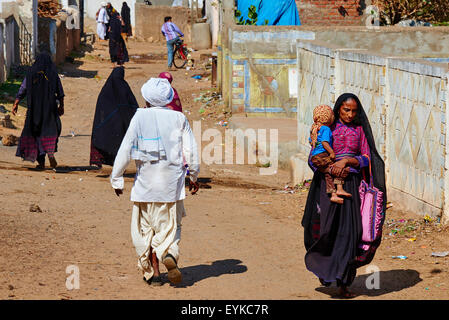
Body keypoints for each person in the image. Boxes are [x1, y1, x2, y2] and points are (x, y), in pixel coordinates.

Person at [111, 77, 200, 286]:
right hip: (171, 186)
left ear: (147, 99)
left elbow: (125, 149)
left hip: (145, 185)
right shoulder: (179, 119)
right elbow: (191, 151)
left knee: (146, 229)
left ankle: (155, 273)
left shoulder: (139, 117)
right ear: (169, 98)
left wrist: (117, 179)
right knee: (171, 226)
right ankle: (169, 252)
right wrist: (194, 176)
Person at [302, 93, 386, 298]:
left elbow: (367, 158)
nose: (350, 114)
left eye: (354, 111)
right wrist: (331, 168)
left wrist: (349, 161)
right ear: (338, 108)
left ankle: (344, 282)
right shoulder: (326, 129)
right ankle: (326, 270)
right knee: (327, 229)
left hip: (352, 186)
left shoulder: (360, 130)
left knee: (351, 232)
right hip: (327, 186)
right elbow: (314, 158)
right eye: (346, 110)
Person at [12, 52, 65, 170]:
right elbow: (60, 92)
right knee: (52, 130)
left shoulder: (31, 72)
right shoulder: (52, 73)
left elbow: (23, 88)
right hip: (49, 109)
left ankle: (41, 163)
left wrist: (16, 102)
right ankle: (50, 152)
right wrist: (61, 106)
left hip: (33, 110)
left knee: (36, 133)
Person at [90, 66, 138, 168]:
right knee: (120, 145)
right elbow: (133, 105)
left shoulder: (106, 90)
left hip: (109, 124)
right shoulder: (124, 87)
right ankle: (118, 167)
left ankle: (115, 166)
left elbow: (100, 109)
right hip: (120, 124)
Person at [309, 104, 351, 204]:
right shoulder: (326, 129)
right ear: (327, 117)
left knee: (328, 174)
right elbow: (324, 142)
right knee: (337, 168)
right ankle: (340, 188)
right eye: (332, 115)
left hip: (315, 157)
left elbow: (311, 141)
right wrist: (331, 152)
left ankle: (334, 194)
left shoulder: (314, 128)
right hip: (323, 155)